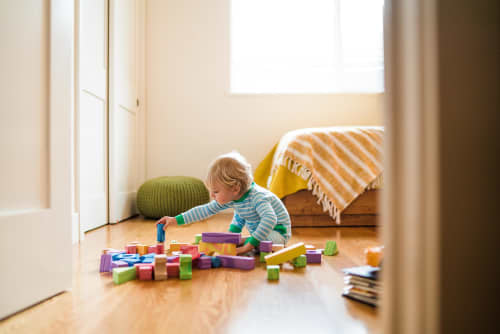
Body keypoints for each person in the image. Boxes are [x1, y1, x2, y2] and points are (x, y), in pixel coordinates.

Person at [156, 151, 291, 255]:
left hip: (277, 233)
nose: (211, 195)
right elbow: (204, 210)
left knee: (263, 241)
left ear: (235, 188)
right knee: (241, 217)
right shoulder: (234, 196)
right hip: (261, 233)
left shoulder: (258, 197)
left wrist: (247, 246)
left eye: (215, 191)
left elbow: (270, 219)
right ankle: (244, 239)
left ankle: (247, 240)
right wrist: (174, 220)